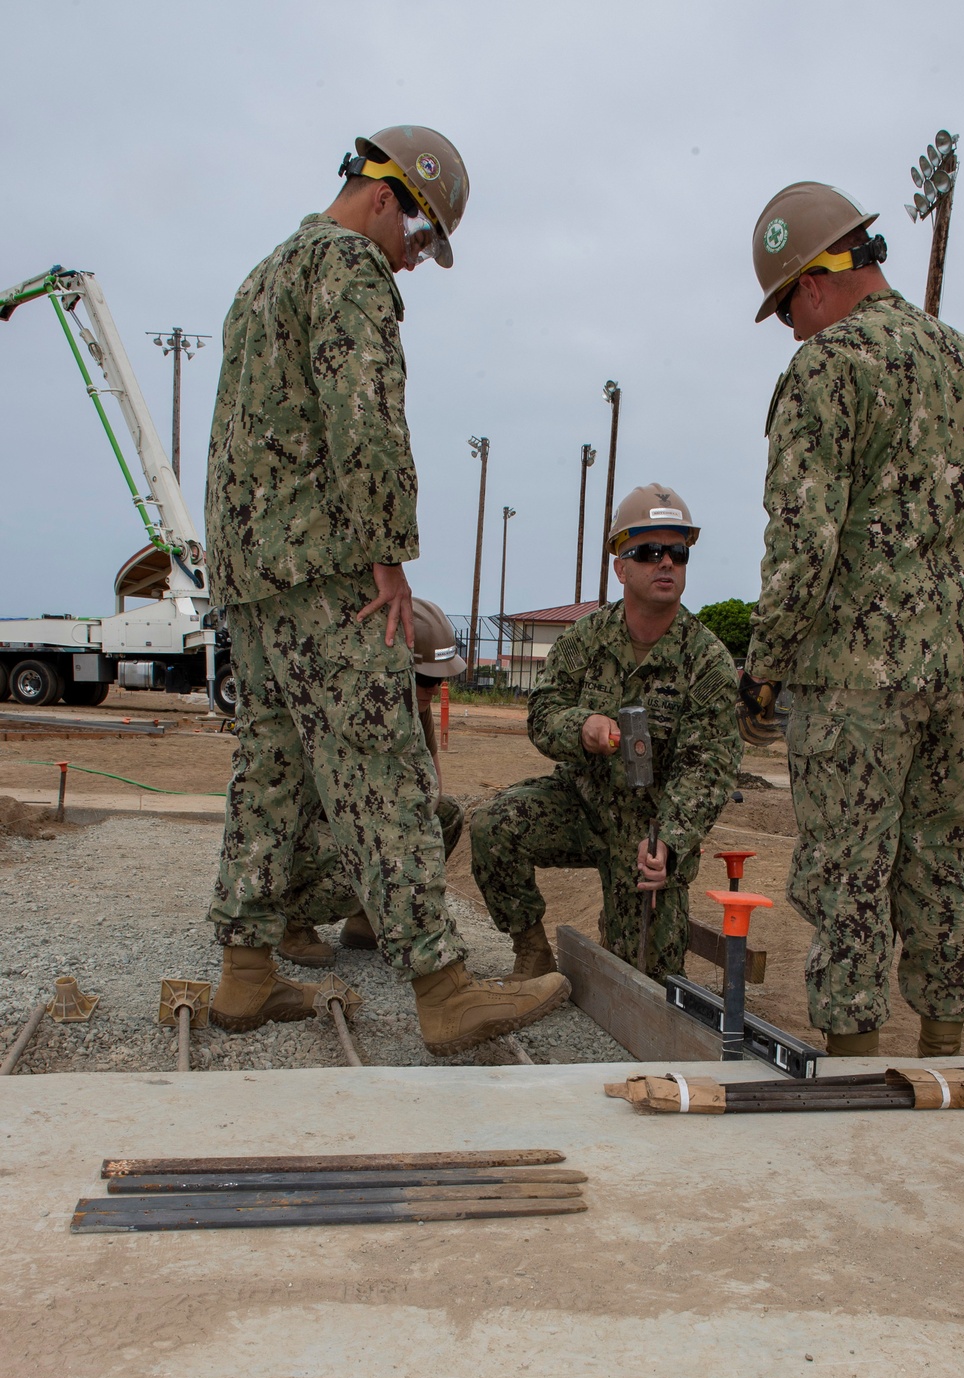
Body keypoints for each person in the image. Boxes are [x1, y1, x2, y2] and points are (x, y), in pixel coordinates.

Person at [204, 126, 568, 1054]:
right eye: (419, 237)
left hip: (251, 579)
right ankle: (444, 989)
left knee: (271, 772)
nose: (412, 261)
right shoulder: (348, 268)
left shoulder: (260, 276)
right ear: (386, 197)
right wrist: (387, 550)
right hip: (325, 574)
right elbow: (364, 413)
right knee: (383, 766)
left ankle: (245, 972)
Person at [742, 181, 964, 1058]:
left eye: (786, 309)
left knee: (849, 875)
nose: (791, 328)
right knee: (938, 864)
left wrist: (764, 669)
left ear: (814, 282)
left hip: (856, 682)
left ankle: (851, 1077)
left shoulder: (828, 367)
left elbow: (802, 544)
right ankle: (946, 1061)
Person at [470, 486, 741, 982]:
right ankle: (531, 951)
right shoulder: (586, 638)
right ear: (621, 566)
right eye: (649, 552)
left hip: (651, 834)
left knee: (647, 977)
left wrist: (671, 843)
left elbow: (711, 768)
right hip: (583, 804)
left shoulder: (708, 662)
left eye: (677, 553)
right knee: (493, 824)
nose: (666, 563)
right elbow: (543, 711)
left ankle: (623, 936)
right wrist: (583, 728)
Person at [276, 597, 467, 963]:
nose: (431, 691)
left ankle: (369, 917)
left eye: (440, 680)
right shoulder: (346, 704)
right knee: (379, 853)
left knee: (444, 815)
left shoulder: (414, 707)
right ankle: (291, 920)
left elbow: (431, 789)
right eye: (424, 679)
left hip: (365, 824)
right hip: (313, 834)